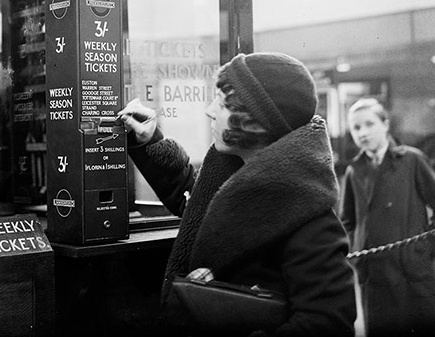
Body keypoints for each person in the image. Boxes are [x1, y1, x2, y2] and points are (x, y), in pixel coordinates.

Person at [119, 52, 357, 336]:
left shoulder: (312, 221)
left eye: (221, 103)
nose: (209, 110)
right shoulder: (236, 174)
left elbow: (328, 323)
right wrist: (149, 141)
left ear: (254, 123)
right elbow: (196, 202)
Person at [339, 98, 435, 337]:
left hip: (410, 271)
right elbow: (346, 221)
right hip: (374, 273)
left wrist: (423, 250)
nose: (363, 133)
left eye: (369, 124)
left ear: (385, 124)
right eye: (356, 127)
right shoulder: (354, 170)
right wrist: (358, 251)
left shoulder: (412, 160)